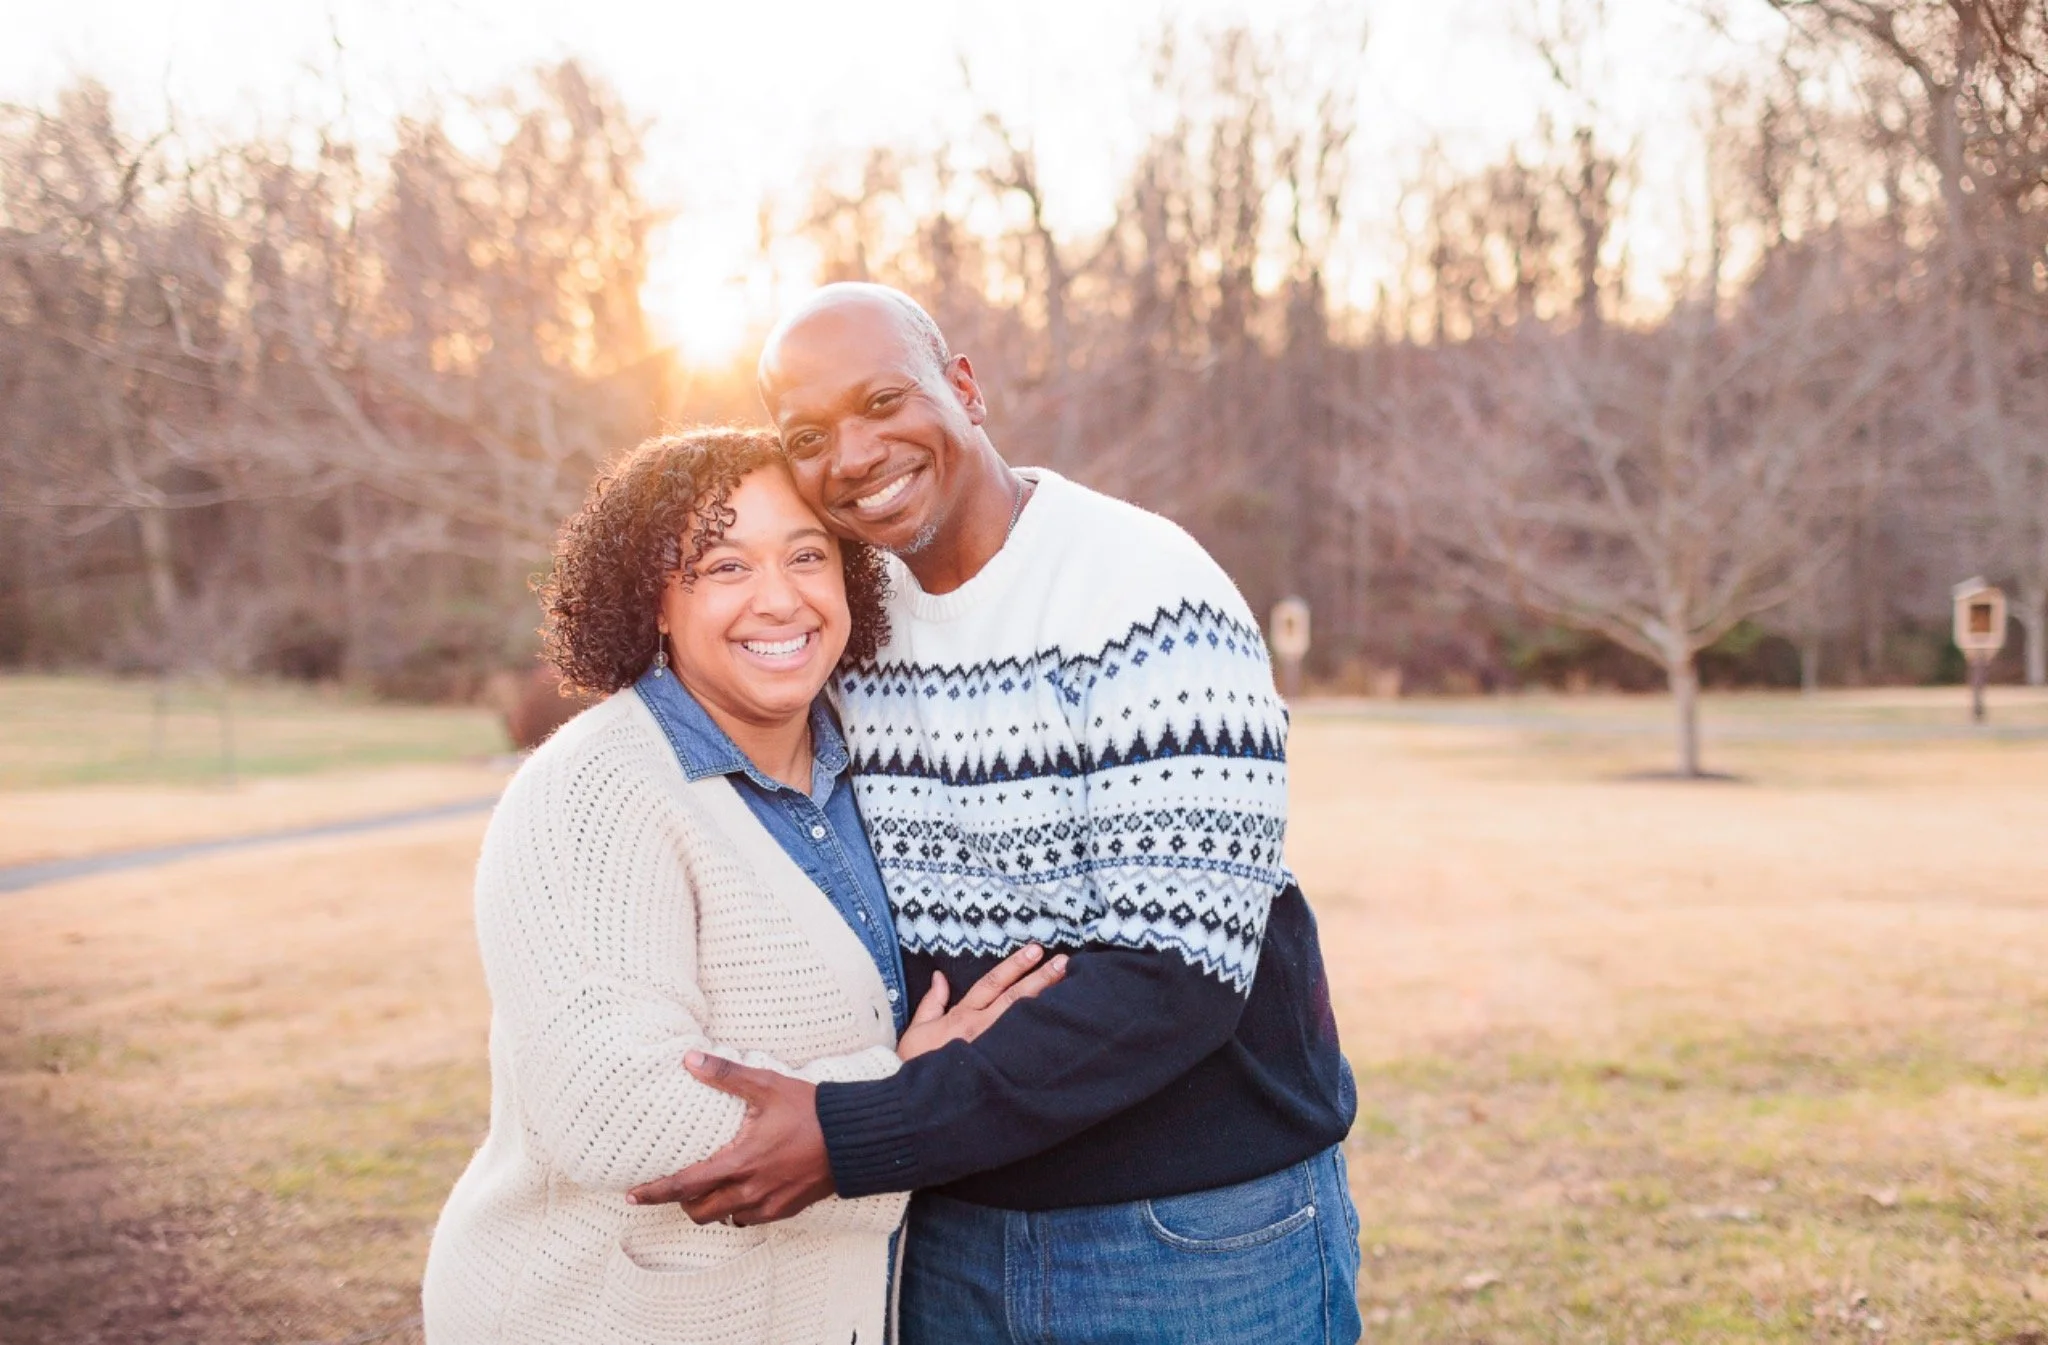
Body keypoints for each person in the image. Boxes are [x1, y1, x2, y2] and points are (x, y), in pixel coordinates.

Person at [628, 290, 1363, 1343]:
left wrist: (856, 1132)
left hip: (1183, 1227)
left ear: (963, 387)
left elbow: (1178, 974)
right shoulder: (840, 619)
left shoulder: (1141, 589)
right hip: (945, 1220)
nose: (853, 451)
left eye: (883, 398)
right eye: (807, 435)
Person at [420, 426, 1065, 1345]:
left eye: (807, 554)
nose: (780, 597)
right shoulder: (595, 790)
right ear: (654, 600)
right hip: (601, 1316)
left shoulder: (863, 765)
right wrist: (910, 1092)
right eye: (725, 565)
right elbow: (613, 1110)